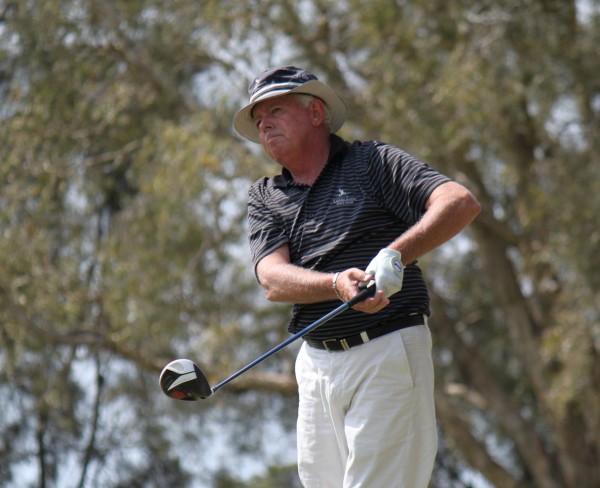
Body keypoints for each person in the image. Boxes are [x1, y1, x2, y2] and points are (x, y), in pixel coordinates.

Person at [233, 66, 481, 488]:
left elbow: (458, 201)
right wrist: (334, 284)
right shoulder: (265, 196)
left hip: (386, 349)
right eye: (258, 120)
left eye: (275, 110)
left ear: (315, 113)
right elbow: (272, 279)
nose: (265, 124)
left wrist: (394, 254)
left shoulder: (372, 162)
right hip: (315, 366)